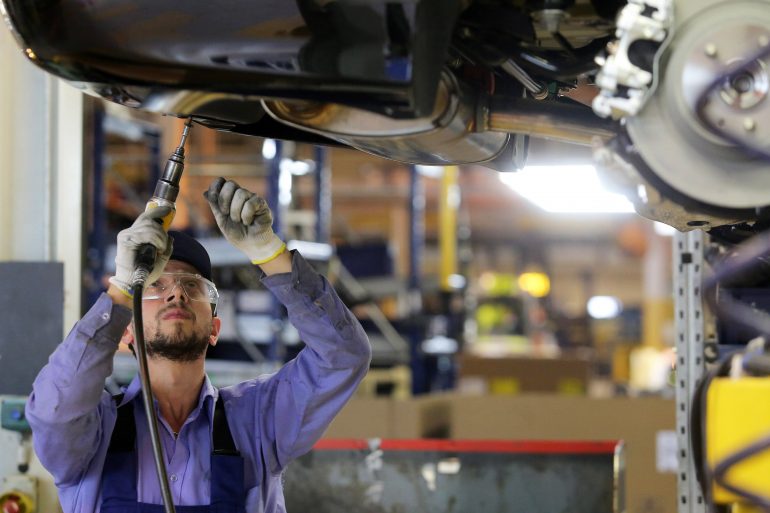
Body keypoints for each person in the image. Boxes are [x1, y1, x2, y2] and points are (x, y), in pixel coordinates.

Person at [27, 177, 372, 513]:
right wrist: (120, 289)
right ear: (126, 331)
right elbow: (52, 411)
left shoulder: (258, 421)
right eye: (156, 286)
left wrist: (270, 253)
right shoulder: (93, 432)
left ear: (214, 329)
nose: (176, 293)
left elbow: (343, 357)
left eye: (192, 286)